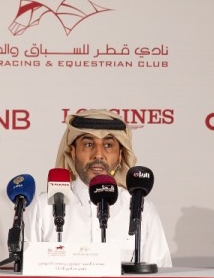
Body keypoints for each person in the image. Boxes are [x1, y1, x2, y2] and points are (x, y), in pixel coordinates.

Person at [23, 110, 172, 267]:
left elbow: (160, 277)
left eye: (108, 145)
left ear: (120, 155)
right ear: (73, 153)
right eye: (88, 144)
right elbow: (24, 274)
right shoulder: (44, 206)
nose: (98, 155)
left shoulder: (141, 210)